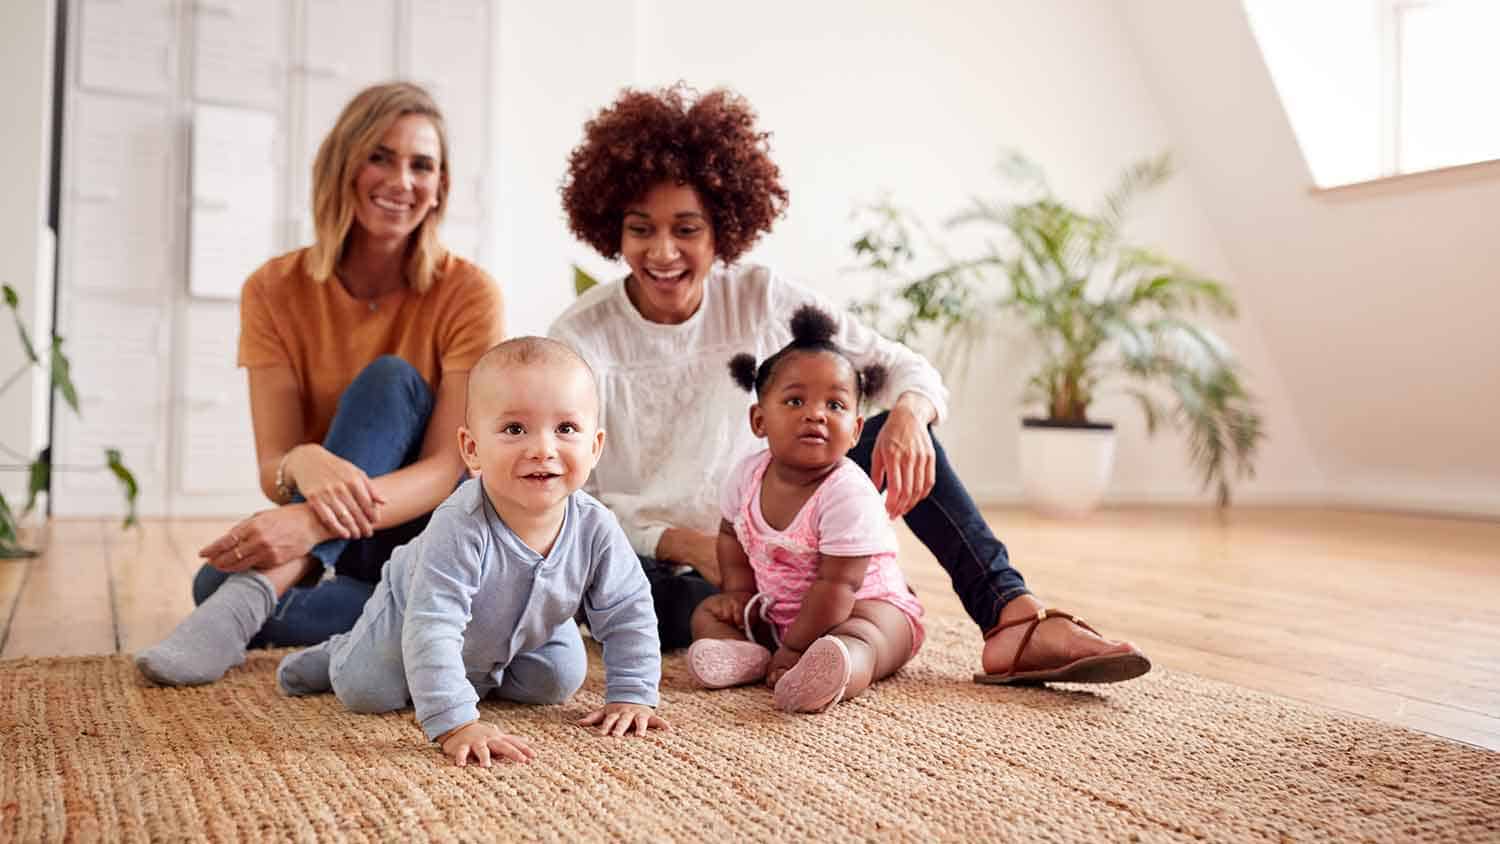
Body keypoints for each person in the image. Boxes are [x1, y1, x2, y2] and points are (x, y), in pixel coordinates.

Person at [550, 83, 1150, 686]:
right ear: (611, 228)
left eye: (687, 230)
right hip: (659, 560)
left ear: (721, 230)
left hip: (771, 534)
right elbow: (568, 497)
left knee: (885, 425)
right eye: (640, 229)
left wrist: (912, 415)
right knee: (658, 605)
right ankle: (809, 628)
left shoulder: (757, 297)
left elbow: (906, 369)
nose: (662, 252)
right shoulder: (581, 337)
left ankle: (1010, 618)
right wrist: (683, 542)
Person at [137, 82, 505, 686]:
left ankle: (256, 597)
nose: (401, 180)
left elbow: (447, 469)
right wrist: (304, 460)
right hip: (350, 546)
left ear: (440, 187)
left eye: (422, 165)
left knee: (390, 381)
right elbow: (273, 461)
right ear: (343, 164)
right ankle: (410, 622)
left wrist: (306, 524)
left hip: (425, 532)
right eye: (379, 156)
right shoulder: (273, 289)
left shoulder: (467, 293)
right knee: (212, 579)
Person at [276, 338, 666, 767]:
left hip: (518, 629)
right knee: (367, 690)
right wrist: (456, 722)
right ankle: (340, 651)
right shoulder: (460, 524)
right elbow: (433, 626)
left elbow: (629, 609)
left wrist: (633, 691)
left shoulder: (597, 526)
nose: (543, 448)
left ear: (594, 446)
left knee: (556, 680)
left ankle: (480, 669)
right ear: (472, 450)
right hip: (412, 612)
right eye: (515, 429)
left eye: (566, 429)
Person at [686, 305, 925, 713]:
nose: (816, 413)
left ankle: (836, 671)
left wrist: (797, 646)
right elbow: (730, 536)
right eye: (796, 401)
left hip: (863, 603)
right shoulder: (746, 476)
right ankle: (745, 656)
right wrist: (739, 592)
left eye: (835, 405)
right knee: (706, 613)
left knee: (867, 635)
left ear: (856, 430)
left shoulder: (847, 493)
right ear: (759, 421)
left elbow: (839, 586)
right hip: (779, 611)